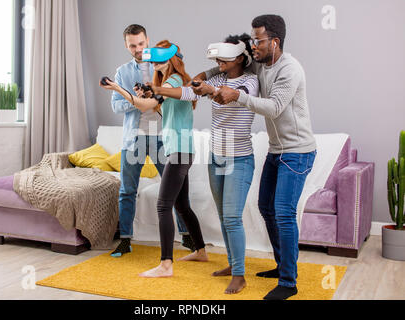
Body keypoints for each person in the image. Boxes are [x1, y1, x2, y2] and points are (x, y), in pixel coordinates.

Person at [193, 15, 317, 300]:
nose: (253, 46)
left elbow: (273, 108)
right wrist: (207, 75)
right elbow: (228, 63)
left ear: (274, 41)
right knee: (266, 207)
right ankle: (281, 265)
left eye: (258, 40)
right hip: (277, 150)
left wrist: (235, 96)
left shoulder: (290, 70)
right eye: (252, 40)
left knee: (284, 213)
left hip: (297, 152)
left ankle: (288, 281)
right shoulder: (260, 63)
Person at [150, 34, 259, 294]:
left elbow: (230, 96)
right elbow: (189, 89)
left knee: (232, 218)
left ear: (240, 58)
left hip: (239, 159)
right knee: (223, 217)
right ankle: (233, 265)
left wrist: (206, 87)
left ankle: (240, 275)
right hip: (216, 157)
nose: (219, 61)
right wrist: (164, 88)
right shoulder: (218, 76)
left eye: (224, 57)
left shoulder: (251, 81)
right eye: (217, 58)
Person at [101, 40, 208, 278]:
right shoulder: (171, 82)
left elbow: (145, 105)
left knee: (163, 205)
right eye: (154, 62)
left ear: (172, 59)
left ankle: (166, 265)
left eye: (160, 61)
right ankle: (201, 250)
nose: (156, 65)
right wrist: (143, 93)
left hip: (180, 151)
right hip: (179, 149)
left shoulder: (174, 81)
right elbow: (158, 107)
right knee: (181, 205)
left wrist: (119, 89)